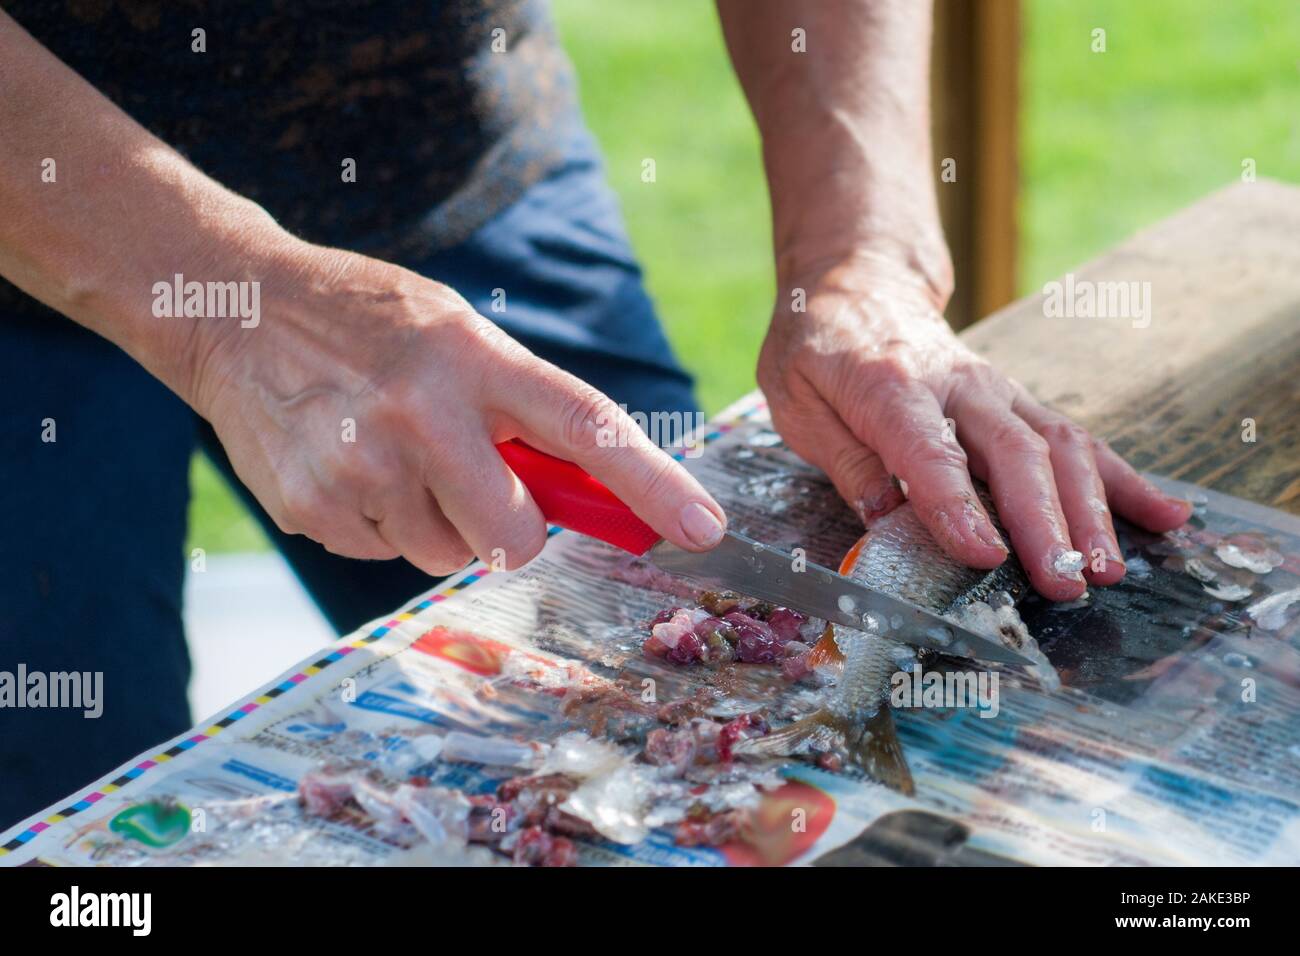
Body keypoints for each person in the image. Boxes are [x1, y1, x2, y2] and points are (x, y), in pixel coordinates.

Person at [0, 1, 1189, 828]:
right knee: (65, 799)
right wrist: (227, 305)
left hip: (458, 154)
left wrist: (860, 253)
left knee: (692, 681)